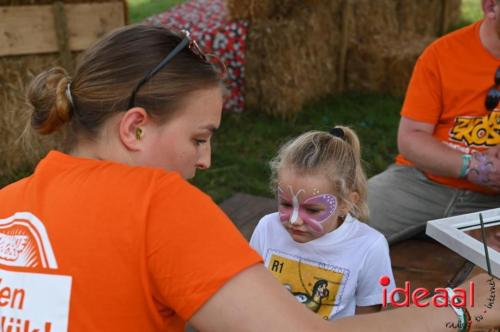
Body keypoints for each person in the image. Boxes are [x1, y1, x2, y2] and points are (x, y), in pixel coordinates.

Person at [0, 23, 498, 332]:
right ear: (135, 127)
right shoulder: (159, 203)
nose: (206, 161)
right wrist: (465, 307)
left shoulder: (9, 202)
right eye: (199, 138)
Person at [367, 0, 500, 244]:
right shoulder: (443, 54)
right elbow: (411, 138)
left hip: (493, 203)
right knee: (337, 220)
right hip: (421, 183)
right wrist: (477, 167)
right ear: (491, 7)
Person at [250, 127, 396, 320]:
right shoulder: (267, 228)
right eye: (286, 204)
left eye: (312, 210)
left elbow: (367, 321)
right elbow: (251, 291)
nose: (294, 220)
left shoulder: (369, 247)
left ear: (346, 203)